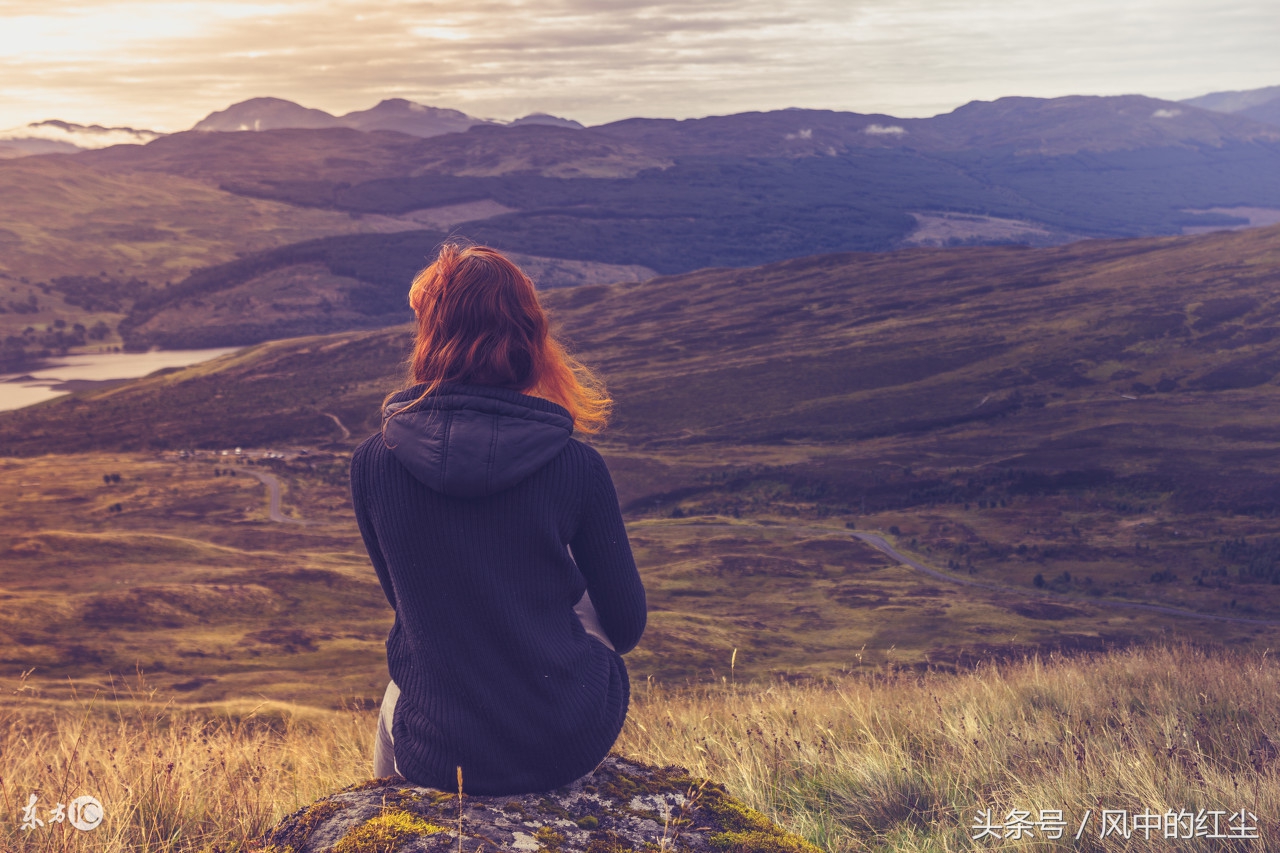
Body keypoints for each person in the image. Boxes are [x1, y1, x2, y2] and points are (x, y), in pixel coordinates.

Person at [349, 242, 647, 795]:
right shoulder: (576, 465)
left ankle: (395, 823)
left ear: (431, 335)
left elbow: (407, 606)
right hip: (566, 741)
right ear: (531, 339)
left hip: (438, 758)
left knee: (401, 684)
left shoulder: (373, 461)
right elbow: (625, 627)